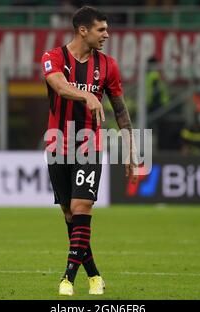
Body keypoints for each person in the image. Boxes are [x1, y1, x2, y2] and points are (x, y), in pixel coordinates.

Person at [41, 6, 137, 296]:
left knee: (83, 207)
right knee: (70, 214)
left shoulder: (108, 65)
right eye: (101, 29)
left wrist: (131, 148)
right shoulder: (53, 57)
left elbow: (120, 110)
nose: (107, 34)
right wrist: (86, 95)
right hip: (58, 143)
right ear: (83, 30)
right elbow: (58, 86)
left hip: (89, 145)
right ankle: (94, 274)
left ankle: (67, 278)